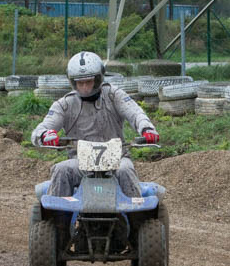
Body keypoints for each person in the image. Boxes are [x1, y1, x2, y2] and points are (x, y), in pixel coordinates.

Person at [31, 51, 159, 198]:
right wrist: (45, 134)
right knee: (61, 169)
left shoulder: (113, 95)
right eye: (80, 83)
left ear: (98, 79)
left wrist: (147, 129)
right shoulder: (64, 104)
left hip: (117, 160)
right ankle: (55, 212)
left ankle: (136, 211)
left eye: (89, 81)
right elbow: (41, 129)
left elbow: (135, 113)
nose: (85, 87)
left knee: (126, 170)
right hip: (79, 162)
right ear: (73, 82)